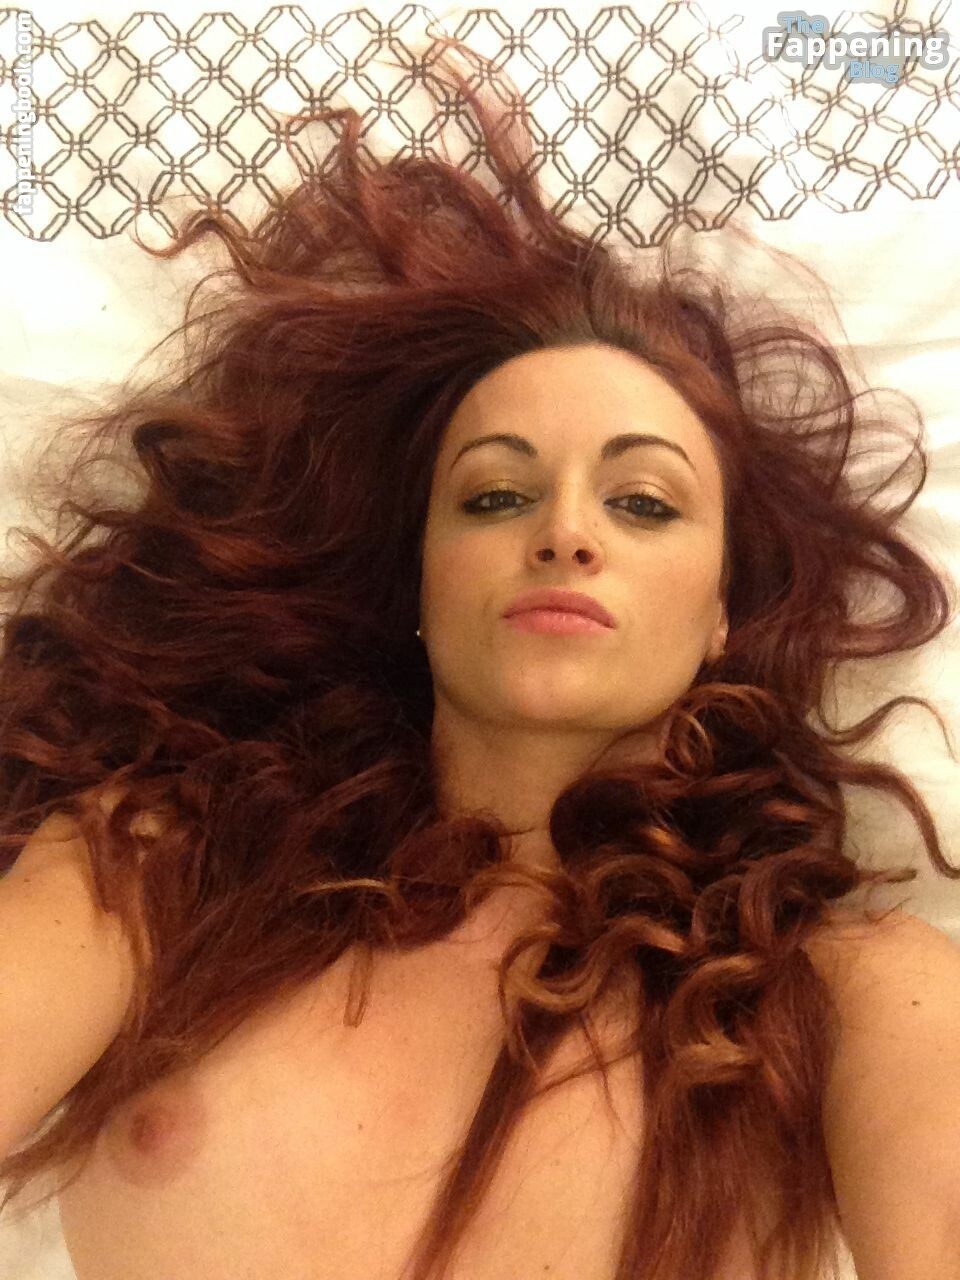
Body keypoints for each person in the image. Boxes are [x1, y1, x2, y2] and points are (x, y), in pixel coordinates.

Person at [0, 34, 958, 1280]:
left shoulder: (848, 992)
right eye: (496, 496)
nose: (565, 532)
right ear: (421, 580)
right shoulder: (161, 869)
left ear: (724, 612)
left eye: (644, 503)